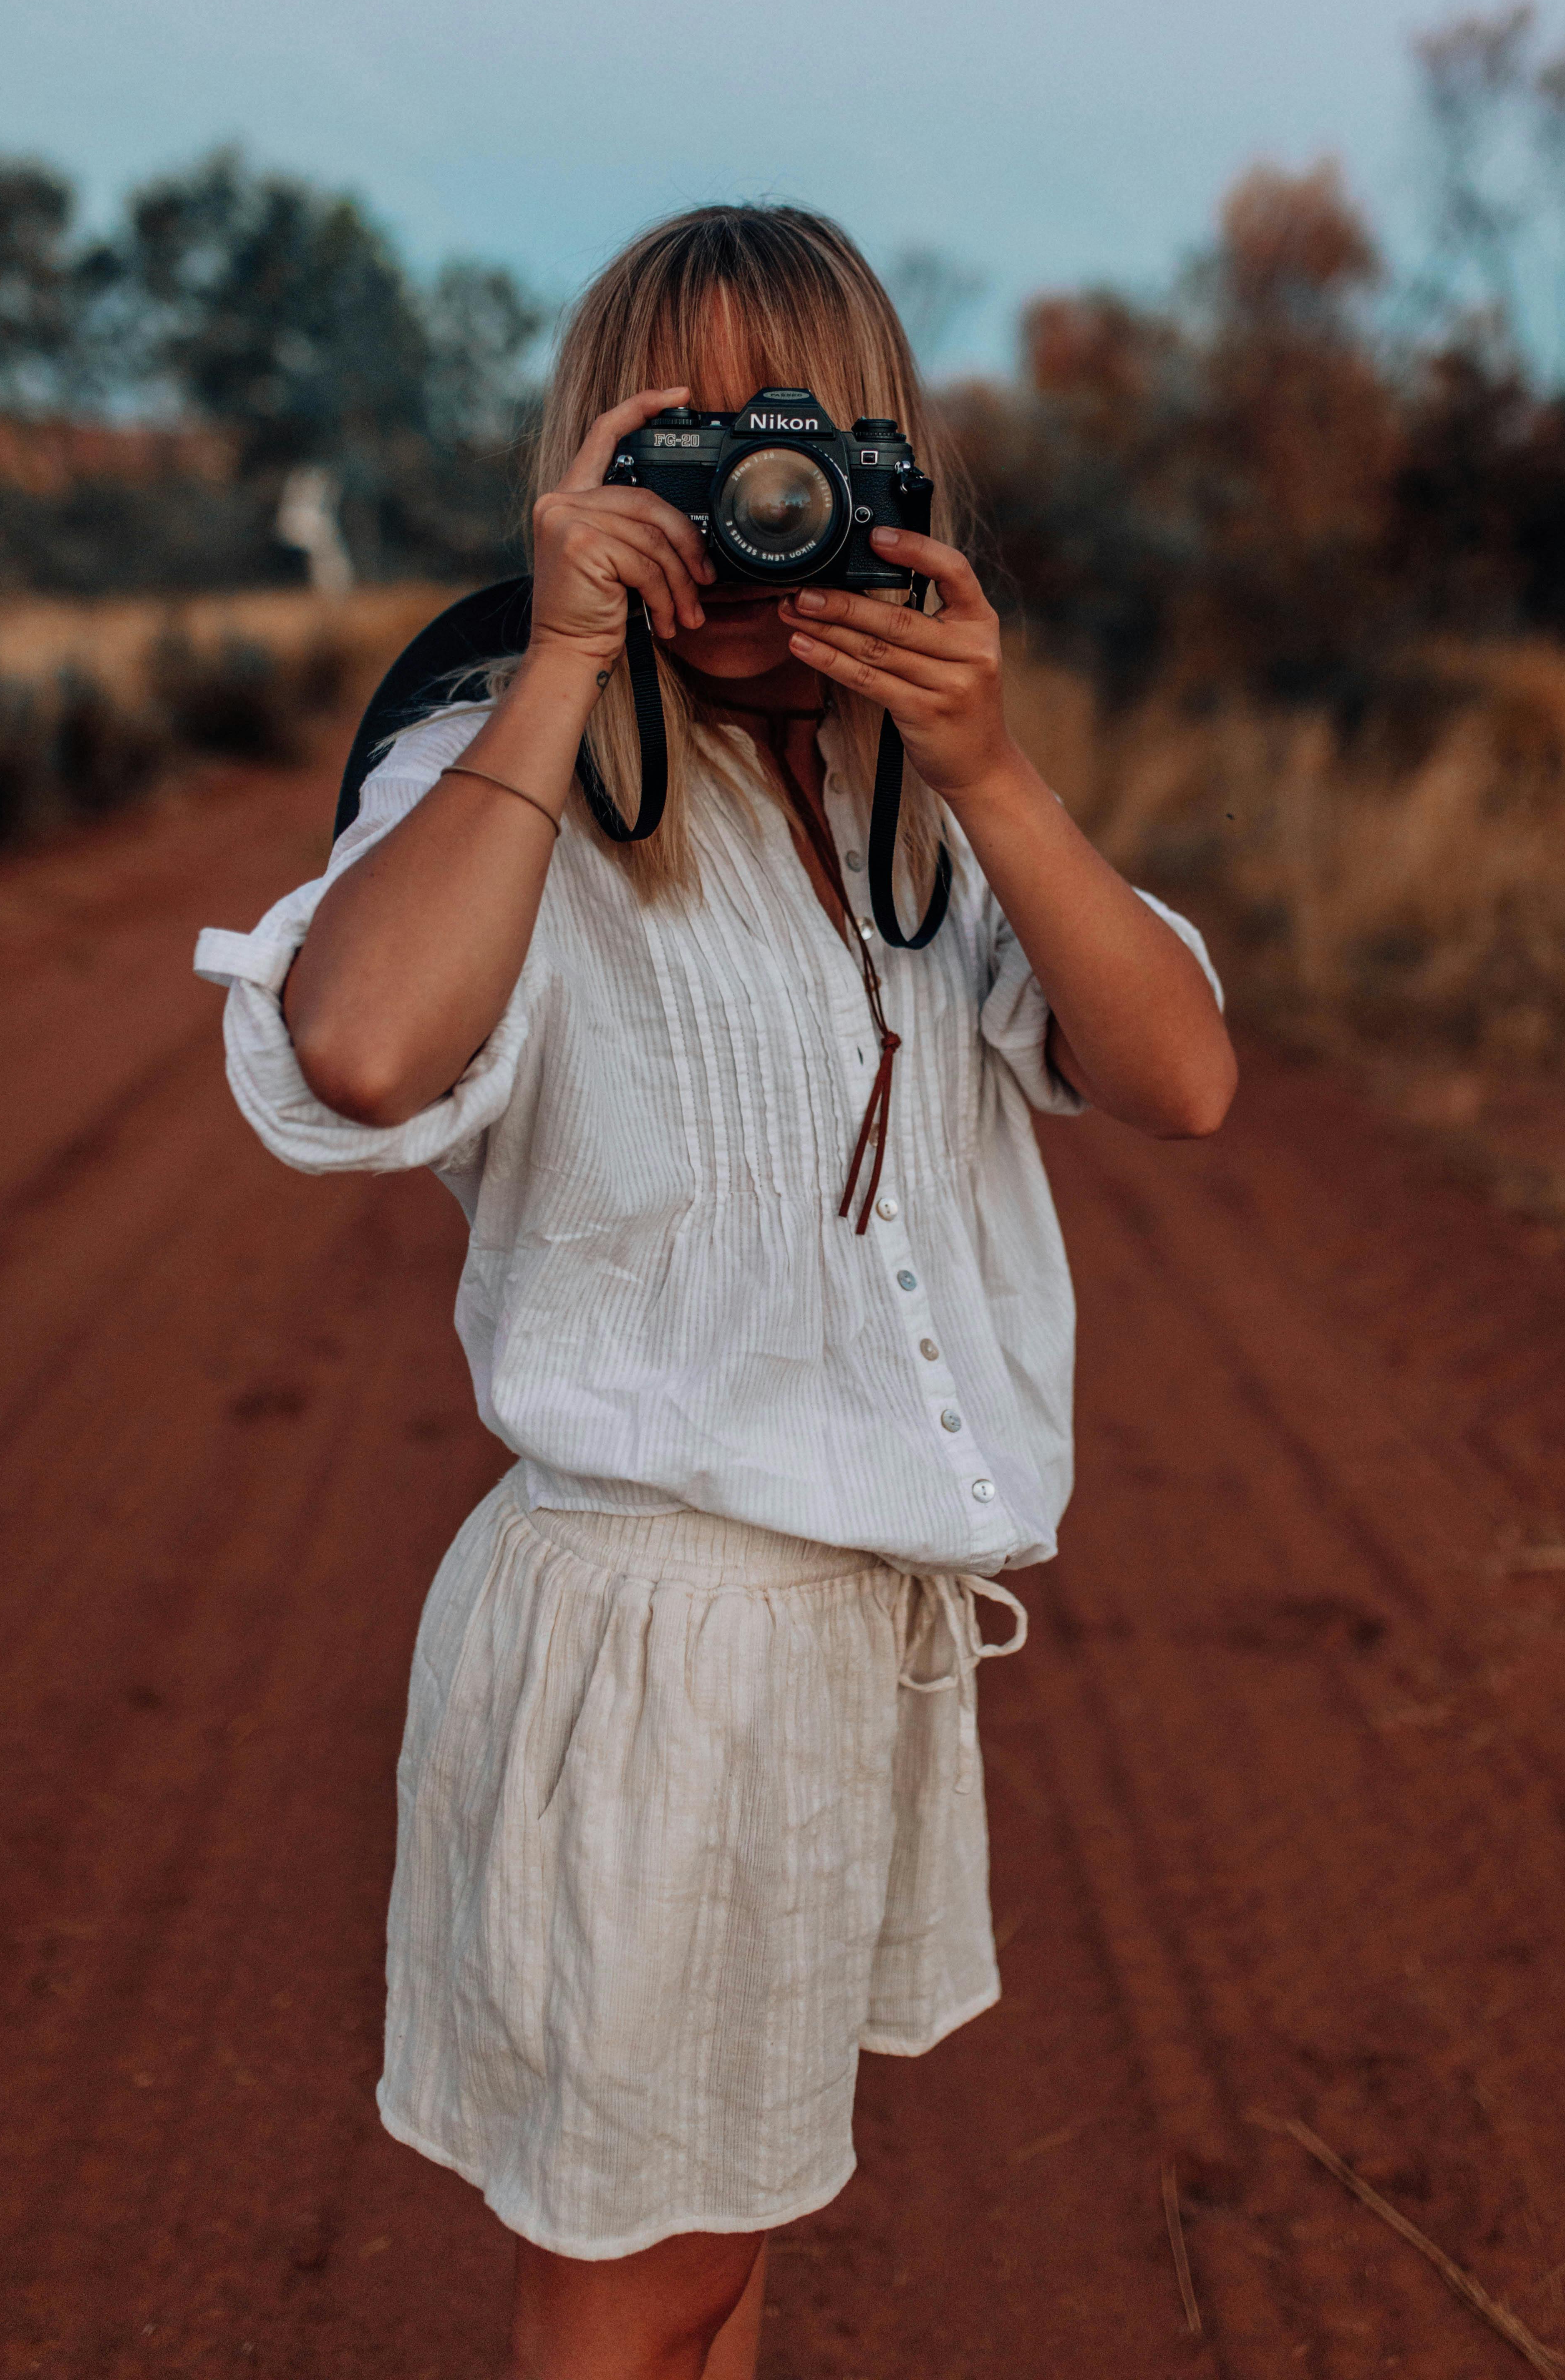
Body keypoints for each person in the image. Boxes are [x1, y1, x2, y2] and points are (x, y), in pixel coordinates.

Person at [194, 203, 1235, 2380]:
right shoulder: (511, 757)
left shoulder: (913, 795)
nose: (763, 520)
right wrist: (567, 656)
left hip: (838, 1648)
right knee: (630, 2303)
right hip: (653, 1657)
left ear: (892, 471)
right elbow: (361, 1046)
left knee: (726, 2259)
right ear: (598, 471)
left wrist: (990, 764)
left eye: (816, 451)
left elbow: (1180, 1073)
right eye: (703, 458)